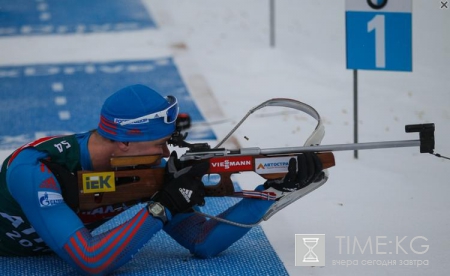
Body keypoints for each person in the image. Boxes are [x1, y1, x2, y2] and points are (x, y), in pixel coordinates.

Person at [0, 84, 323, 275]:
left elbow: (202, 241)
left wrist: (273, 190)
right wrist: (162, 206)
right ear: (124, 141)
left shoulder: (140, 165)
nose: (165, 152)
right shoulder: (35, 169)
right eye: (159, 143)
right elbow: (91, 259)